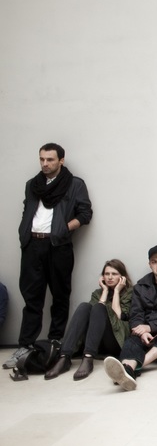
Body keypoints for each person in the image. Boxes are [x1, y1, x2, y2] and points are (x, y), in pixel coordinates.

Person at [4, 143, 93, 370]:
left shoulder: (74, 184)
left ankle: (55, 343)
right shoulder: (32, 185)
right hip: (32, 245)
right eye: (42, 159)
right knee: (32, 298)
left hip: (58, 246)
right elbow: (28, 211)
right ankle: (25, 346)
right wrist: (24, 233)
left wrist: (63, 229)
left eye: (50, 159)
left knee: (60, 296)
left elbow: (85, 213)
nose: (45, 163)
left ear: (61, 160)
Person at [103, 245, 157, 391]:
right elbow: (136, 314)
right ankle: (128, 371)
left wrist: (150, 327)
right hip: (145, 335)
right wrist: (143, 332)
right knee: (131, 341)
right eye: (154, 262)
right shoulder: (140, 286)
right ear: (149, 264)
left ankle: (133, 367)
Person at [44, 259, 133, 380]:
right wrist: (105, 291)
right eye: (107, 274)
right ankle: (64, 357)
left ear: (122, 277)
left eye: (114, 274)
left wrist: (117, 291)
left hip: (116, 340)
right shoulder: (98, 293)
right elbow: (92, 315)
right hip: (97, 341)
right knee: (84, 306)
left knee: (99, 307)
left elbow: (119, 316)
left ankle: (88, 358)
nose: (110, 277)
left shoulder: (130, 292)